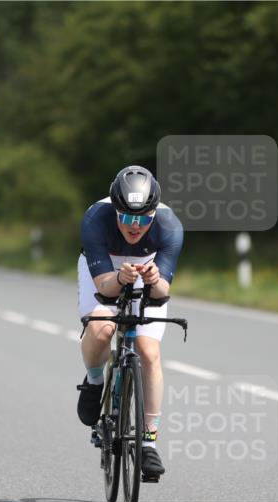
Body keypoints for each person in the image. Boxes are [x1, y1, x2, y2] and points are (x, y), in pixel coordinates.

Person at [76, 165, 184, 478]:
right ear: (115, 211)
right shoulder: (96, 219)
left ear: (154, 213)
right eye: (126, 217)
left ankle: (148, 441)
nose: (134, 226)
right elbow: (105, 289)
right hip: (106, 267)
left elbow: (163, 293)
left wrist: (153, 279)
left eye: (143, 219)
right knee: (101, 329)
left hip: (147, 266)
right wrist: (120, 278)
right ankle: (95, 382)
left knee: (149, 352)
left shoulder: (170, 226)